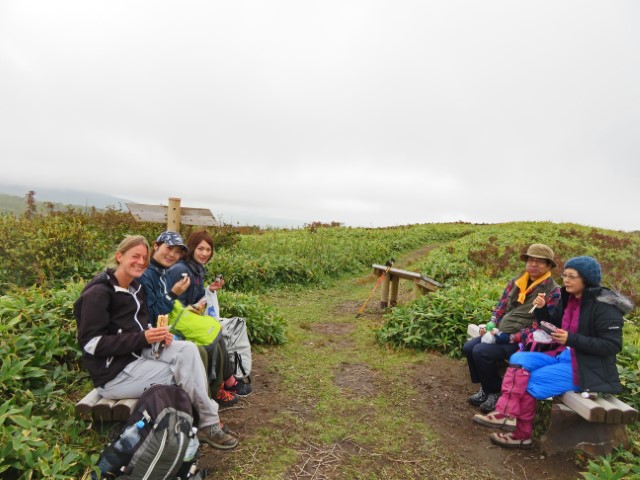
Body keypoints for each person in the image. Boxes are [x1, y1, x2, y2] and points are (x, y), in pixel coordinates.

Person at [73, 235, 239, 450]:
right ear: (119, 256)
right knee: (183, 374)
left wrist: (156, 335)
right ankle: (203, 425)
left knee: (188, 350)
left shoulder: (135, 288)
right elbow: (91, 344)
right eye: (135, 256)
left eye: (144, 257)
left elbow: (141, 326)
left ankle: (206, 423)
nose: (141, 262)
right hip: (114, 374)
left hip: (137, 356)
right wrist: (143, 338)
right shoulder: (98, 293)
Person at [473, 256, 633, 448]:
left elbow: (612, 346)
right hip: (564, 356)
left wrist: (570, 339)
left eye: (572, 277)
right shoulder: (569, 298)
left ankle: (522, 435)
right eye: (565, 275)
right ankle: (507, 414)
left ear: (587, 279)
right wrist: (541, 310)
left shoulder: (605, 308)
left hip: (588, 367)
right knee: (519, 358)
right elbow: (553, 323)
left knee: (530, 379)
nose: (566, 280)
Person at [464, 244, 561, 412]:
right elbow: (501, 306)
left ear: (548, 266)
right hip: (500, 332)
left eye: (539, 262)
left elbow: (543, 327)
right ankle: (486, 388)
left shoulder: (553, 292)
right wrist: (491, 324)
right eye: (531, 260)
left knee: (481, 351)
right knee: (469, 347)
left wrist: (511, 337)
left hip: (525, 342)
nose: (534, 264)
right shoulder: (517, 282)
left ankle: (495, 392)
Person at [166, 231, 253, 399]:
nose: (205, 253)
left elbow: (194, 299)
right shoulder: (181, 270)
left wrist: (209, 290)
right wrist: (194, 308)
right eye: (200, 248)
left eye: (208, 249)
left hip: (191, 318)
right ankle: (227, 383)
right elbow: (175, 306)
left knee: (216, 330)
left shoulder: (197, 269)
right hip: (177, 325)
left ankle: (226, 381)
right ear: (191, 248)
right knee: (214, 333)